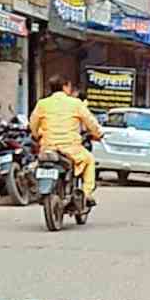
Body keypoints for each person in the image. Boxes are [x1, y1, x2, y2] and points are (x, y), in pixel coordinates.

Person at [29, 74, 103, 203]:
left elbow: (33, 123)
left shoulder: (42, 104)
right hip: (70, 149)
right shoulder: (75, 103)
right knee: (89, 160)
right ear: (65, 87)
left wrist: (36, 135)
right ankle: (86, 194)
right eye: (69, 86)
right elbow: (90, 122)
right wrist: (98, 134)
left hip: (48, 148)